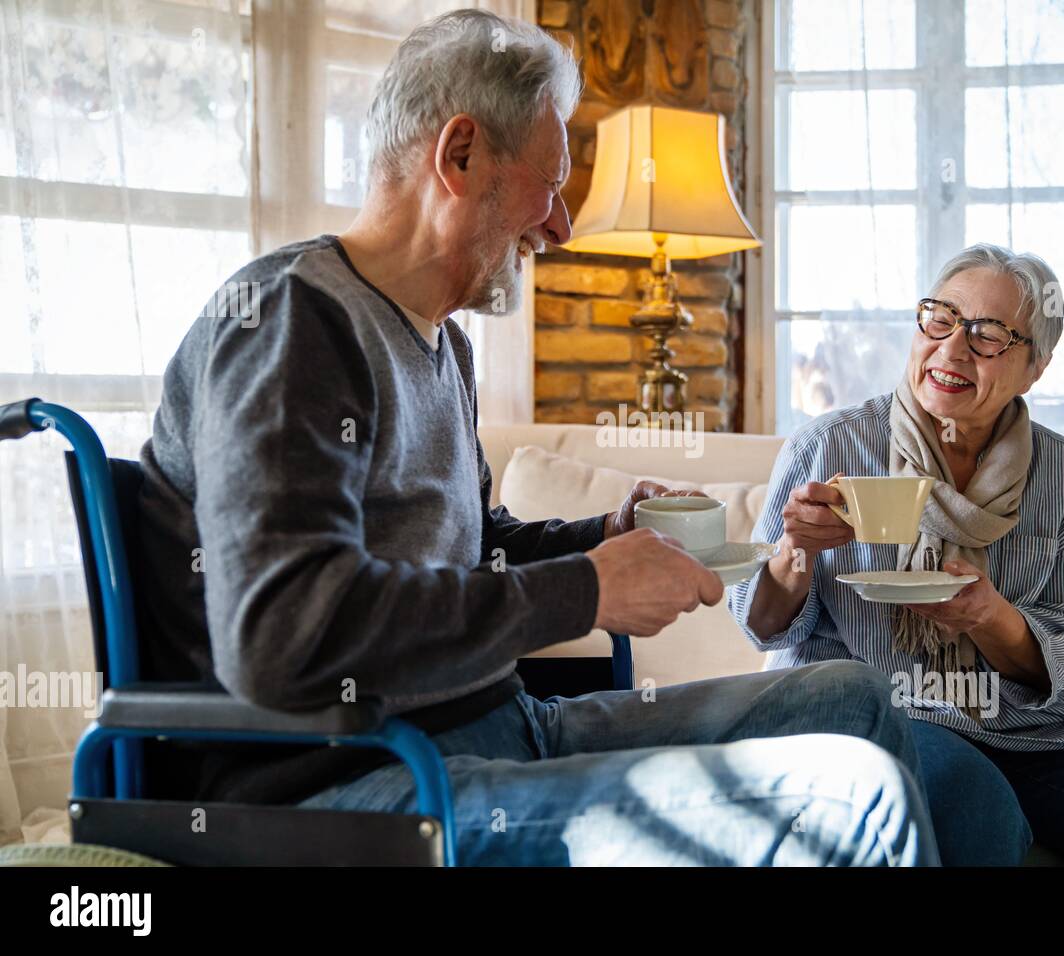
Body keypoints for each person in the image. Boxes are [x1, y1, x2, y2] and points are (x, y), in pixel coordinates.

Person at [135, 9, 936, 867]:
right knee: (861, 801)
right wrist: (584, 591)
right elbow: (282, 636)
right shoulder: (293, 324)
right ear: (461, 154)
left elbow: (472, 552)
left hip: (497, 727)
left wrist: (604, 538)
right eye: (550, 185)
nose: (557, 227)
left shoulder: (443, 345)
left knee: (853, 697)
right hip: (353, 785)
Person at [731, 242, 1064, 866]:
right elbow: (758, 626)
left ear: (1036, 366)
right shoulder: (830, 445)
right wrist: (796, 551)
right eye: (941, 318)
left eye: (988, 335)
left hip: (1022, 731)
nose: (953, 348)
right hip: (873, 710)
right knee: (973, 806)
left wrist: (990, 617)